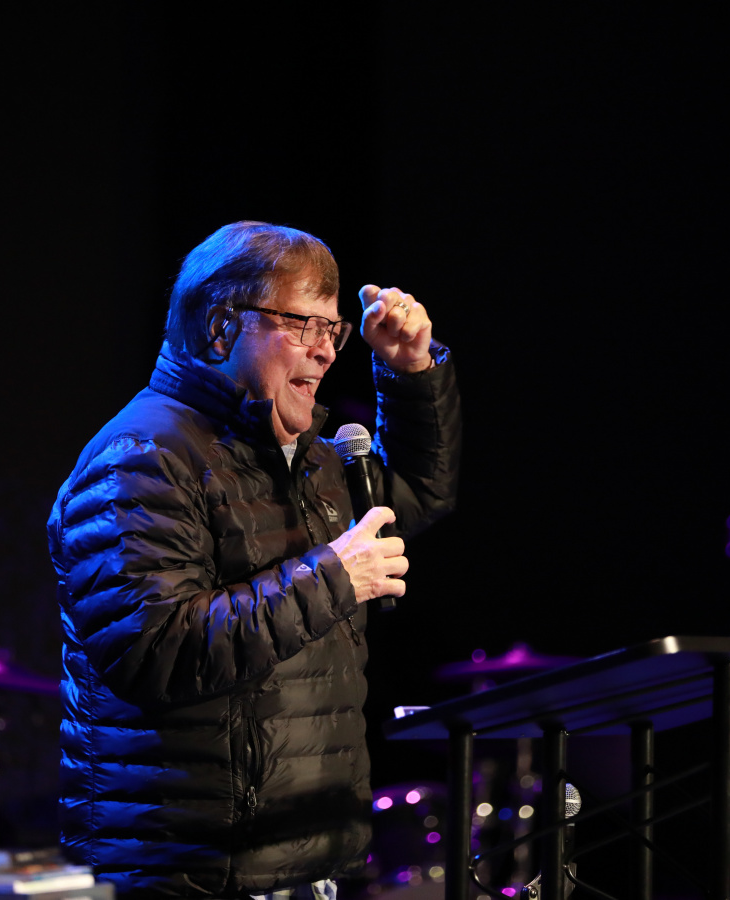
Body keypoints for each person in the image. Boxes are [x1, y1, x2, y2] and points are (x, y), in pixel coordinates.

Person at [46, 221, 461, 899]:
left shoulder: (302, 454)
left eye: (333, 330)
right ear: (221, 329)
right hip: (193, 874)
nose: (325, 351)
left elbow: (413, 496)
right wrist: (333, 579)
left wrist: (409, 372)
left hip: (307, 864)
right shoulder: (140, 459)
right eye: (303, 326)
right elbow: (155, 649)